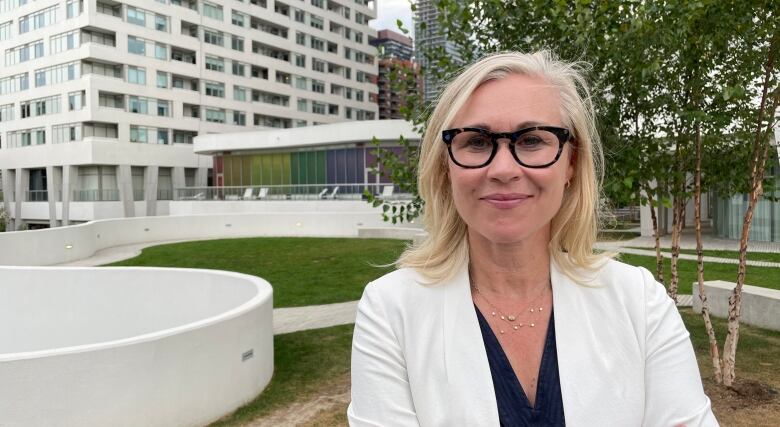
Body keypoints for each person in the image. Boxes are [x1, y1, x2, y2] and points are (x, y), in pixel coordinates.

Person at [347, 51, 718, 426]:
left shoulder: (638, 302)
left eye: (532, 140)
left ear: (571, 162)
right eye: (476, 141)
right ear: (446, 166)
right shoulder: (390, 311)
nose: (503, 169)